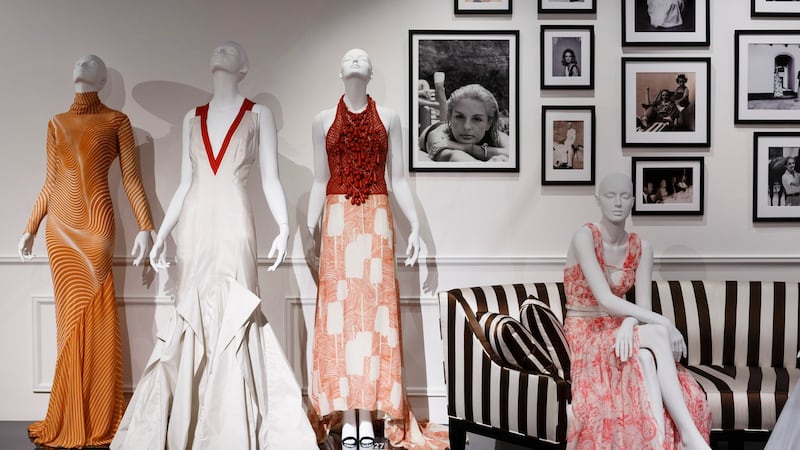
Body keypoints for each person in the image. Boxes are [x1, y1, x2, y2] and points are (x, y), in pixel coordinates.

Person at [110, 42, 317, 449]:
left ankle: (231, 425)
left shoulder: (259, 114)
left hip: (236, 222)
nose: (222, 49)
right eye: (219, 47)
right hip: (196, 226)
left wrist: (282, 227)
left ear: (244, 67)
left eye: (232, 49)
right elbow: (187, 184)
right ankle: (189, 421)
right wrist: (164, 232)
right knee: (193, 311)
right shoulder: (192, 118)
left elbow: (271, 179)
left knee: (236, 311)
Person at [307, 48, 448, 449]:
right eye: (348, 56)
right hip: (336, 222)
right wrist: (307, 224)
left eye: (361, 56)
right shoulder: (321, 120)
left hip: (377, 221)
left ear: (370, 72)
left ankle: (368, 417)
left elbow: (399, 179)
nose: (354, 58)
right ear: (340, 70)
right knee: (340, 322)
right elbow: (320, 179)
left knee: (374, 319)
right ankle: (347, 415)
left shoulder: (390, 117)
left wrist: (416, 226)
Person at [17, 54, 154, 449]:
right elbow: (50, 182)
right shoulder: (56, 123)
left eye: (91, 61)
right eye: (78, 59)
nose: (82, 62)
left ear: (104, 77)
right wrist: (30, 227)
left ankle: (95, 412)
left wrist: (146, 226)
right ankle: (68, 413)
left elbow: (131, 178)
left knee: (95, 315)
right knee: (67, 324)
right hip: (59, 231)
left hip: (95, 228)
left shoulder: (116, 121)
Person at [562, 173, 711, 449]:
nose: (617, 203)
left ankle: (657, 440)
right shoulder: (584, 236)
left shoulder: (641, 247)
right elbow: (606, 300)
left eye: (624, 196)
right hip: (585, 335)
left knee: (644, 356)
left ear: (633, 200)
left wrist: (629, 325)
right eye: (610, 196)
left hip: (619, 331)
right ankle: (690, 436)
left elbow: (641, 310)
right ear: (597, 200)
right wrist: (664, 323)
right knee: (655, 334)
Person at [418, 83, 509, 162]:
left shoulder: (495, 135)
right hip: (437, 127)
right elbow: (454, 157)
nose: (466, 127)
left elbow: (516, 153)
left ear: (488, 123)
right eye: (460, 117)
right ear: (450, 117)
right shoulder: (437, 135)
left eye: (477, 119)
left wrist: (469, 148)